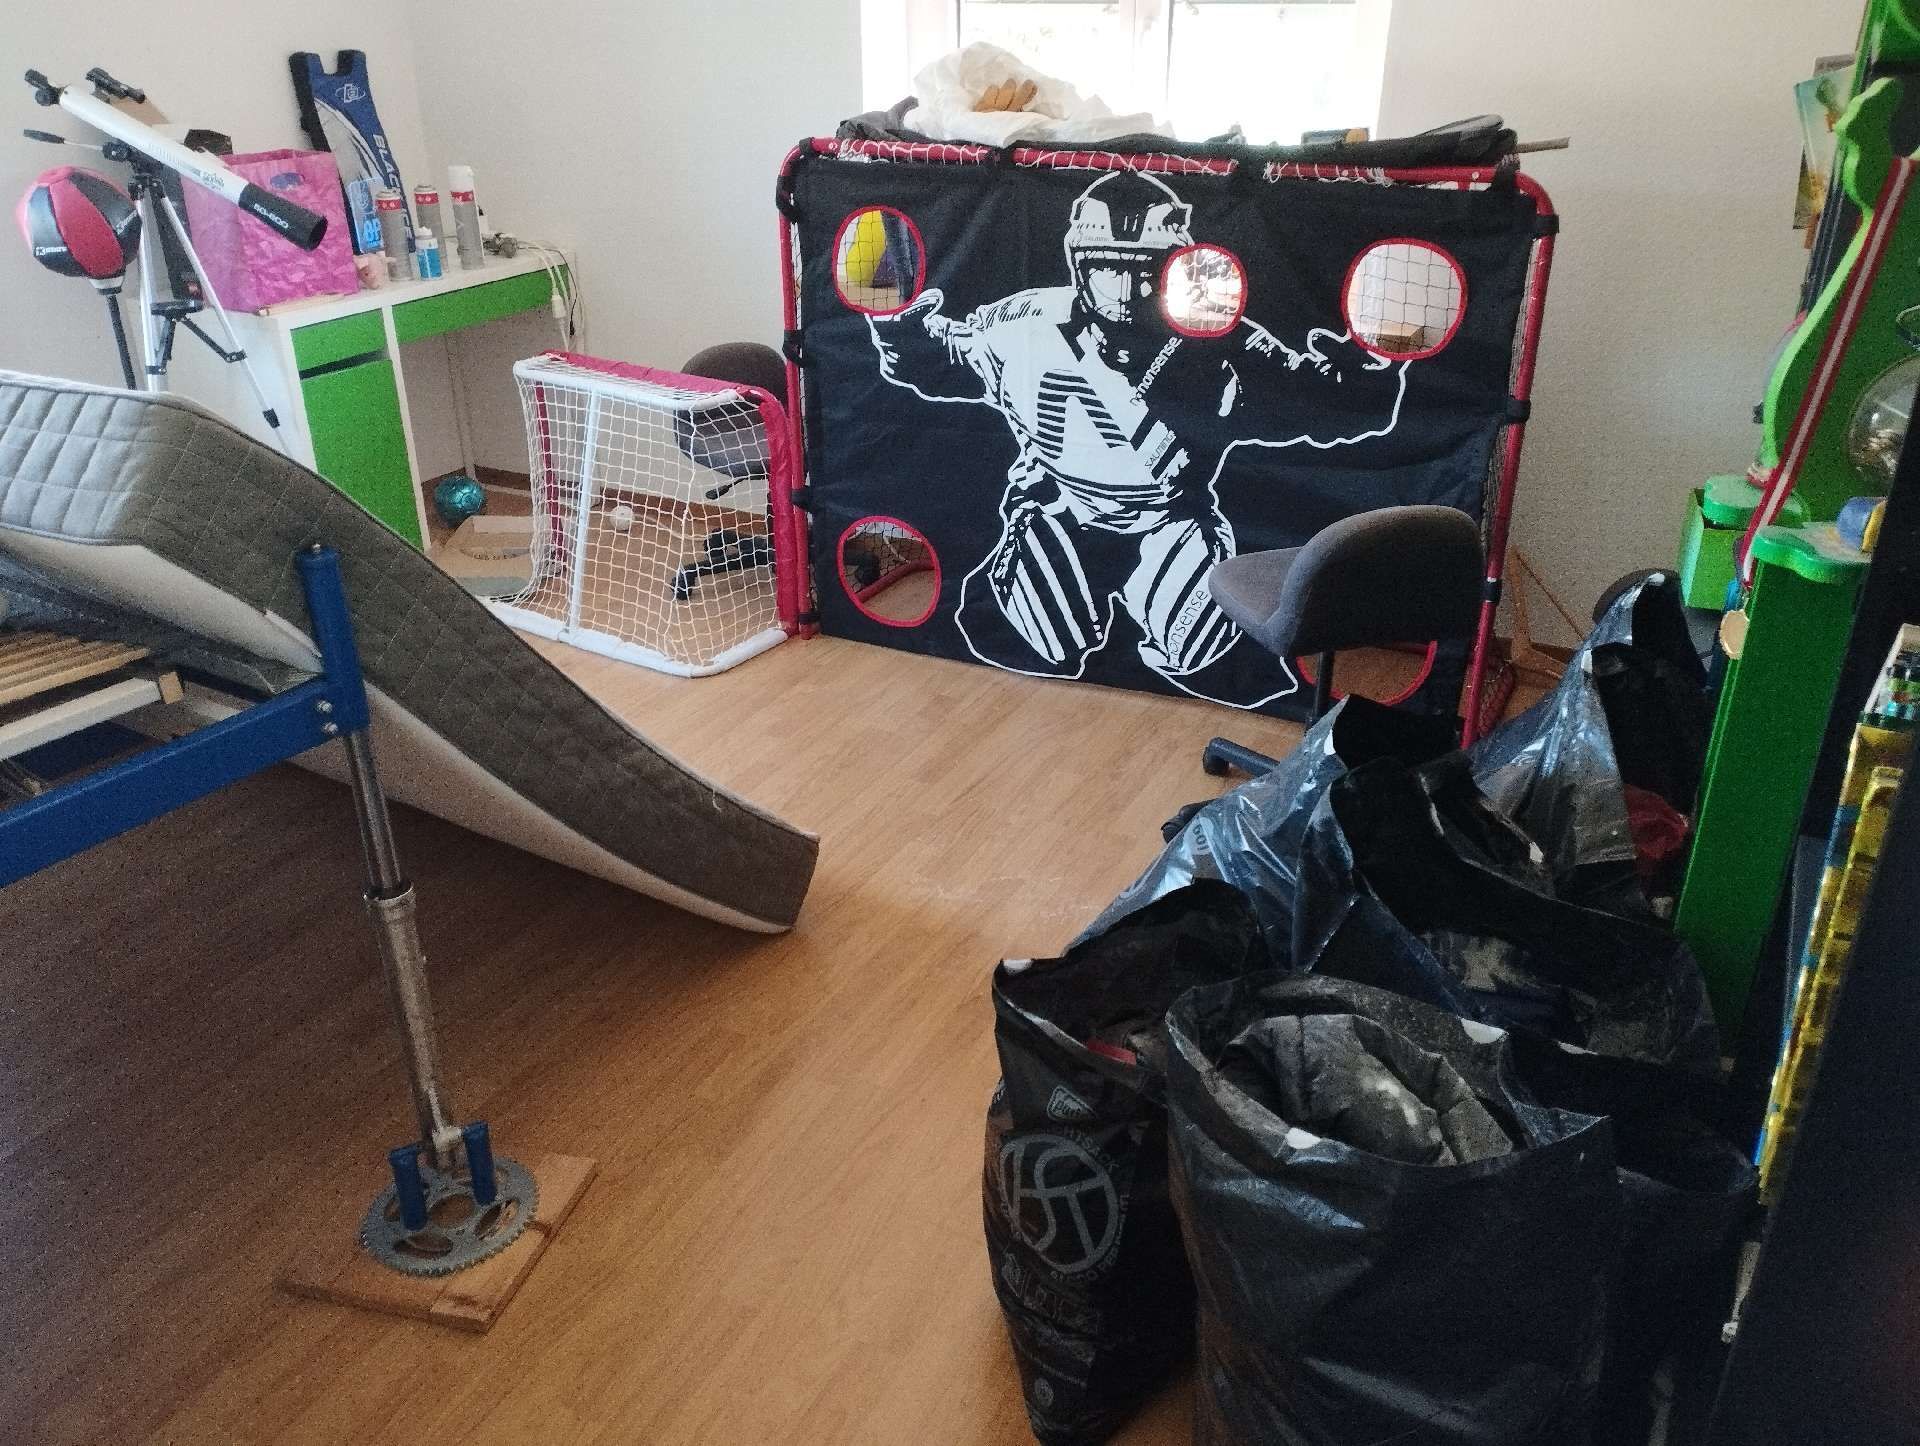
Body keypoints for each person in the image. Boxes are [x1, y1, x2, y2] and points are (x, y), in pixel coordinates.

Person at [866, 169, 1406, 705]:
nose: (1125, 291)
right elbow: (942, 359)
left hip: (1171, 520)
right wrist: (900, 329)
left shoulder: (1223, 345)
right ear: (1079, 266)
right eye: (1107, 268)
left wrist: (1362, 378)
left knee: (1198, 641)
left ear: (1176, 268)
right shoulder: (1024, 324)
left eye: (1145, 270)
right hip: (1058, 507)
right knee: (1038, 627)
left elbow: (1324, 405)